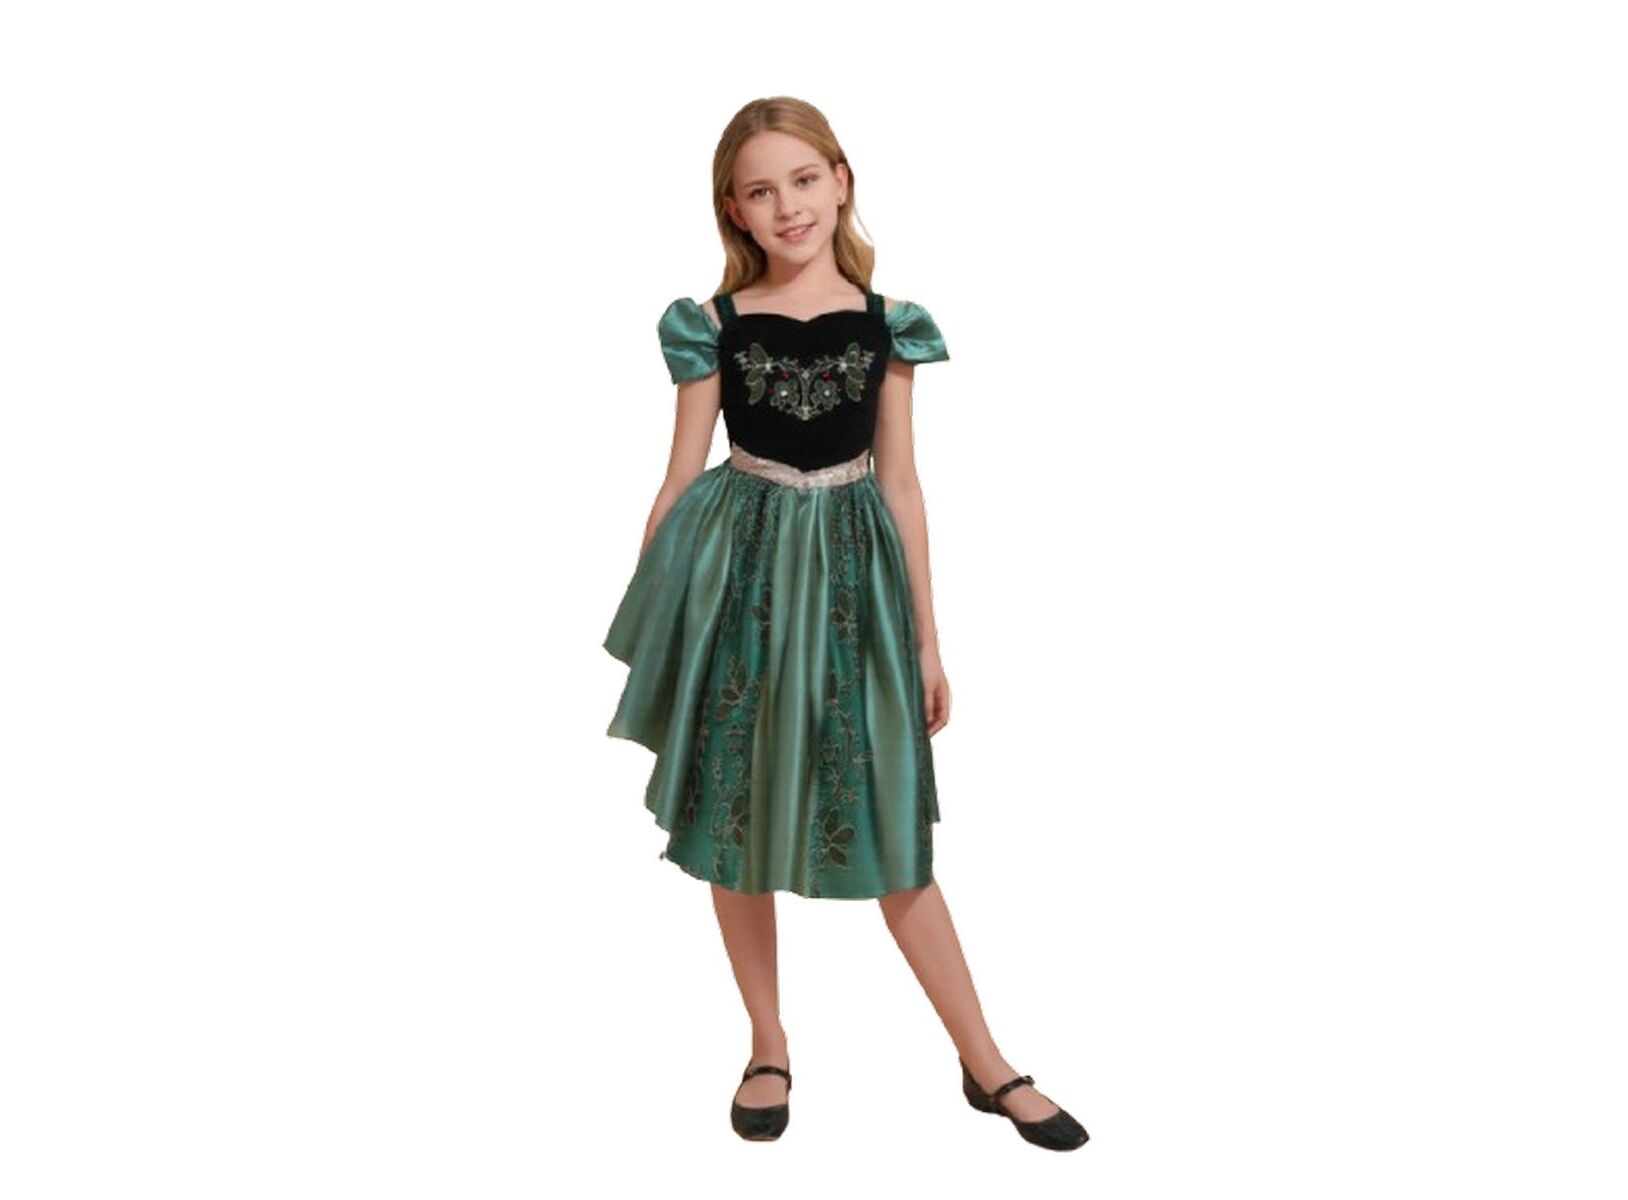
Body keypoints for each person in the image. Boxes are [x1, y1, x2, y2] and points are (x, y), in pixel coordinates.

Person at [603, 96, 1088, 1152]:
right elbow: (679, 476)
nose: (787, 206)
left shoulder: (889, 322)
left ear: (841, 180)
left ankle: (986, 1060)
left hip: (854, 583)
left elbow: (902, 484)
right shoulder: (712, 325)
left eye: (803, 180)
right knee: (734, 817)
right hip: (738, 577)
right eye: (760, 190)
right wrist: (657, 619)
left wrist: (925, 639)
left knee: (890, 821)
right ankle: (767, 1043)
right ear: (733, 209)